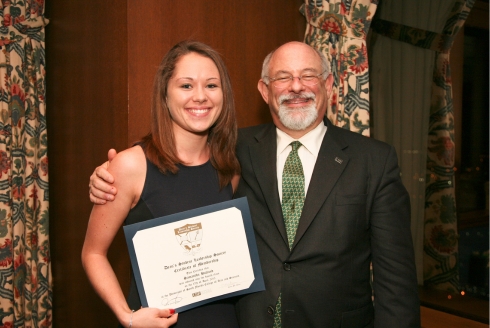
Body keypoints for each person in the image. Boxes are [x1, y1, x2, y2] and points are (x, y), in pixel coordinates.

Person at [89, 41, 421, 327]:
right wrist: (106, 175)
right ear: (264, 89)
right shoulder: (235, 151)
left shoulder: (374, 161)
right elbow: (168, 165)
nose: (295, 87)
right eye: (282, 77)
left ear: (329, 85)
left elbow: (397, 283)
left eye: (308, 75)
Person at [81, 40, 241, 328]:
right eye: (186, 86)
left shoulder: (231, 168)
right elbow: (93, 253)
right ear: (165, 94)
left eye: (212, 85)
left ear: (224, 95)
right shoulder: (130, 166)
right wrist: (126, 316)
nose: (200, 96)